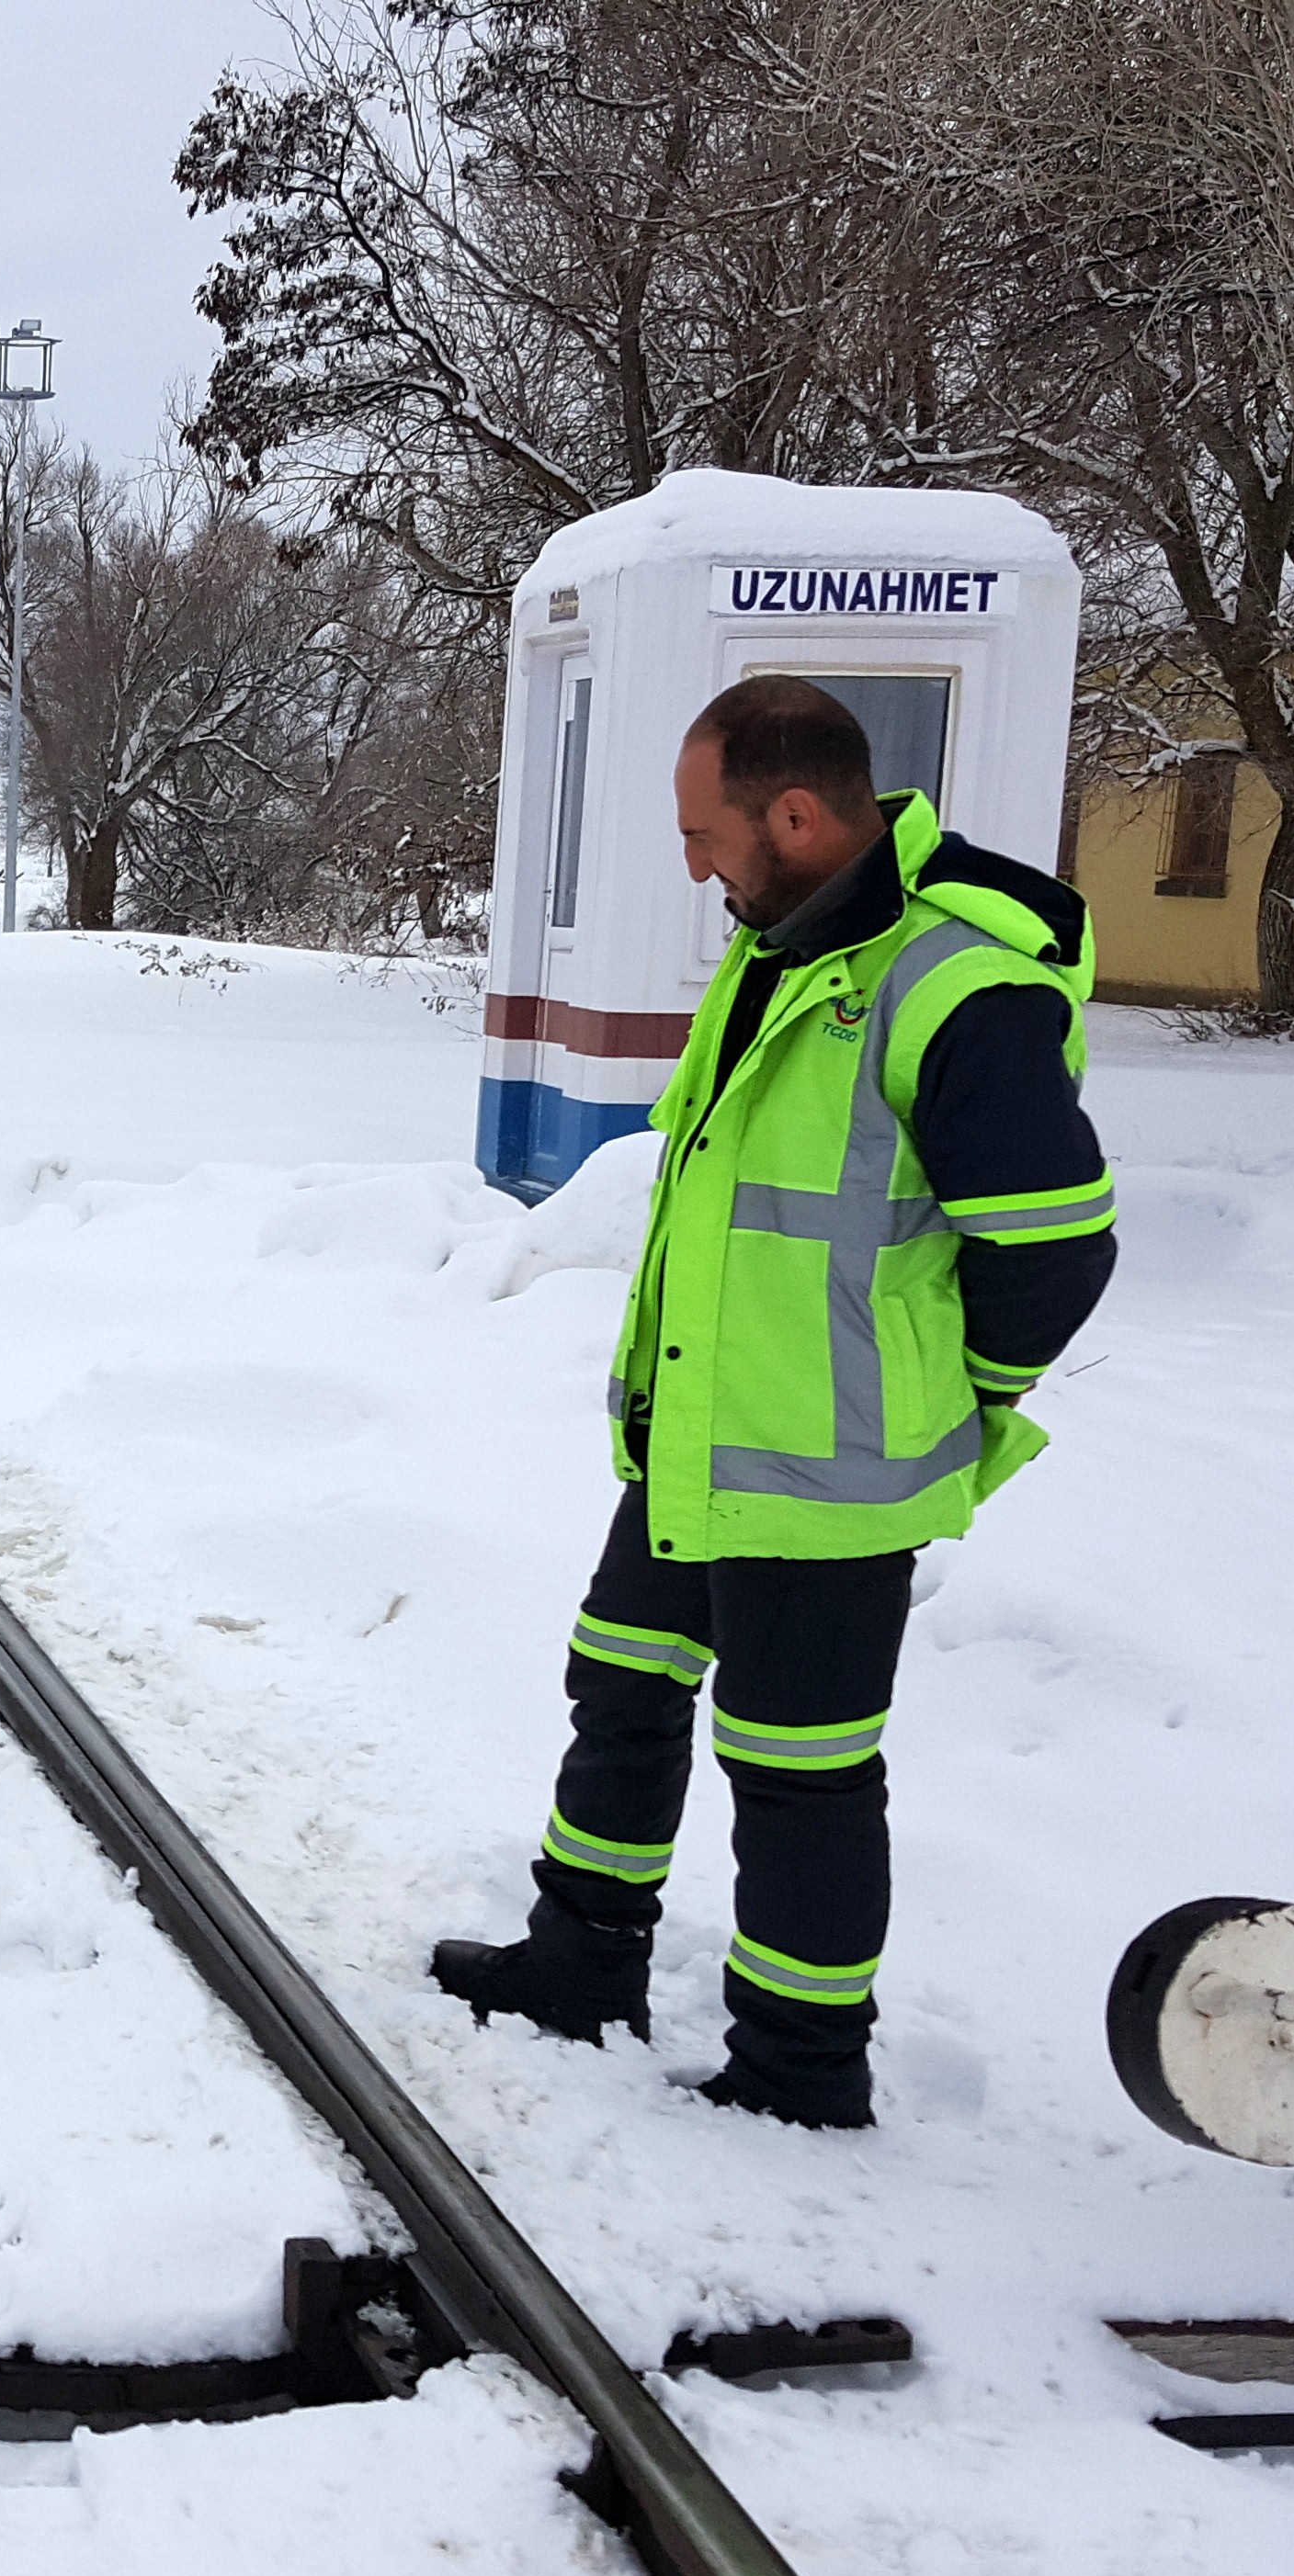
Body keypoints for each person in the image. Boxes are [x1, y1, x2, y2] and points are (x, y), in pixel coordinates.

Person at [431, 677, 1118, 2129]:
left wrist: (948, 1399)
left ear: (795, 817)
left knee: (798, 1778)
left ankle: (801, 2071)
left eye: (706, 832)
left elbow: (1055, 1252)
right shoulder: (787, 946)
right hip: (699, 1437)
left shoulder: (960, 986)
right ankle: (581, 1959)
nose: (693, 863)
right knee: (622, 1690)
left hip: (828, 1475)